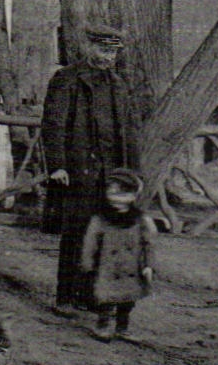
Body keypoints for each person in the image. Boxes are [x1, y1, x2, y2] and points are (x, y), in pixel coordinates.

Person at [40, 23, 140, 313]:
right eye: (101, 49)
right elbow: (54, 124)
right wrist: (57, 165)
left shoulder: (119, 86)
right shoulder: (67, 79)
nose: (107, 57)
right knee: (75, 233)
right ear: (88, 47)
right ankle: (65, 297)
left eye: (112, 52)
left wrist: (133, 173)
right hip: (79, 170)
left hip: (112, 174)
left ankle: (90, 295)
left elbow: (129, 132)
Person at [79, 168, 157, 341]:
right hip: (108, 267)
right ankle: (103, 325)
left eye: (123, 194)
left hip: (131, 267)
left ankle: (122, 327)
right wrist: (87, 263)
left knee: (128, 300)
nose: (117, 199)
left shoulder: (140, 219)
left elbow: (149, 243)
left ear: (133, 196)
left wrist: (148, 265)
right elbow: (90, 242)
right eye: (113, 193)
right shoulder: (100, 219)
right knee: (106, 299)